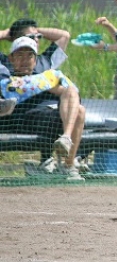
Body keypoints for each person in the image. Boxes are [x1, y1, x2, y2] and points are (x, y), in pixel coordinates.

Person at [0, 37, 86, 180]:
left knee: (79, 108)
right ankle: (68, 165)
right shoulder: (6, 78)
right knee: (77, 111)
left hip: (51, 120)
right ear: (11, 59)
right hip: (24, 121)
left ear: (35, 60)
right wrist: (43, 83)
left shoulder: (45, 78)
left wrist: (47, 84)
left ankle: (67, 148)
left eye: (30, 55)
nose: (25, 60)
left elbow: (70, 92)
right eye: (20, 55)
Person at [0, 18, 71, 72]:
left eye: (38, 36)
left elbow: (65, 36)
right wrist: (8, 33)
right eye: (31, 37)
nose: (36, 39)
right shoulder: (4, 62)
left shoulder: (47, 60)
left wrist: (36, 30)